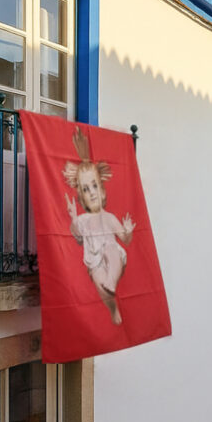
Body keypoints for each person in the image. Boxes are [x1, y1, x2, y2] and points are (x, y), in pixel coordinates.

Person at [62, 128, 134, 324]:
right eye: (86, 189)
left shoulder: (109, 217)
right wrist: (73, 216)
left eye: (94, 186)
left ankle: (112, 280)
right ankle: (113, 309)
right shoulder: (84, 220)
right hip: (94, 262)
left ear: (102, 192)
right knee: (101, 284)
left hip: (113, 256)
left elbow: (125, 239)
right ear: (82, 198)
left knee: (111, 250)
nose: (91, 192)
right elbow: (76, 234)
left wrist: (127, 231)